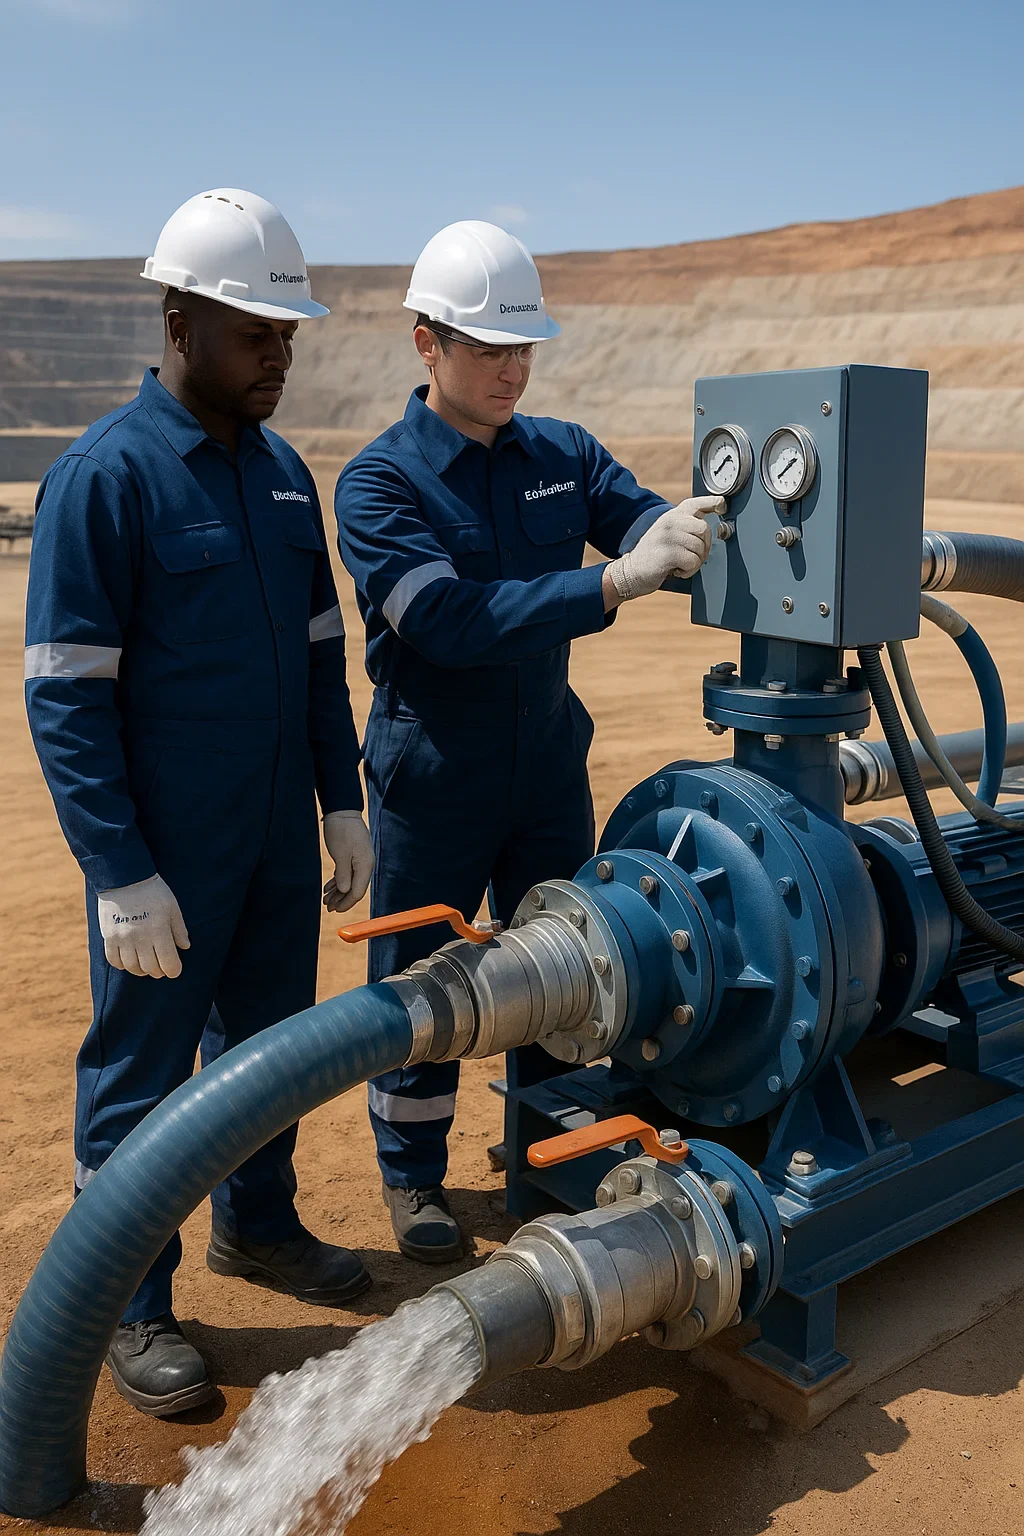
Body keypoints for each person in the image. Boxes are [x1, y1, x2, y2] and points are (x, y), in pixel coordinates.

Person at [24, 188, 375, 1417]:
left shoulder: (284, 476)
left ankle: (259, 1228)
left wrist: (342, 800)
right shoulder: (102, 480)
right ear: (177, 321)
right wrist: (118, 869)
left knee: (270, 1058)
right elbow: (65, 697)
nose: (278, 356)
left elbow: (324, 655)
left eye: (287, 336)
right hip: (168, 858)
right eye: (253, 334)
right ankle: (130, 1302)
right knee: (140, 1071)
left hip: (278, 842)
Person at [335, 220, 720, 1265]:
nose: (511, 368)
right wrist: (611, 582)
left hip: (545, 764)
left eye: (522, 348)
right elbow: (445, 622)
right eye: (486, 347)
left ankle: (549, 1158)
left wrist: (694, 528)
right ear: (426, 344)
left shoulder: (563, 454)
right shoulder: (379, 485)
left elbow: (642, 522)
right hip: (434, 773)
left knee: (571, 973)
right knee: (423, 985)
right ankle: (414, 1180)